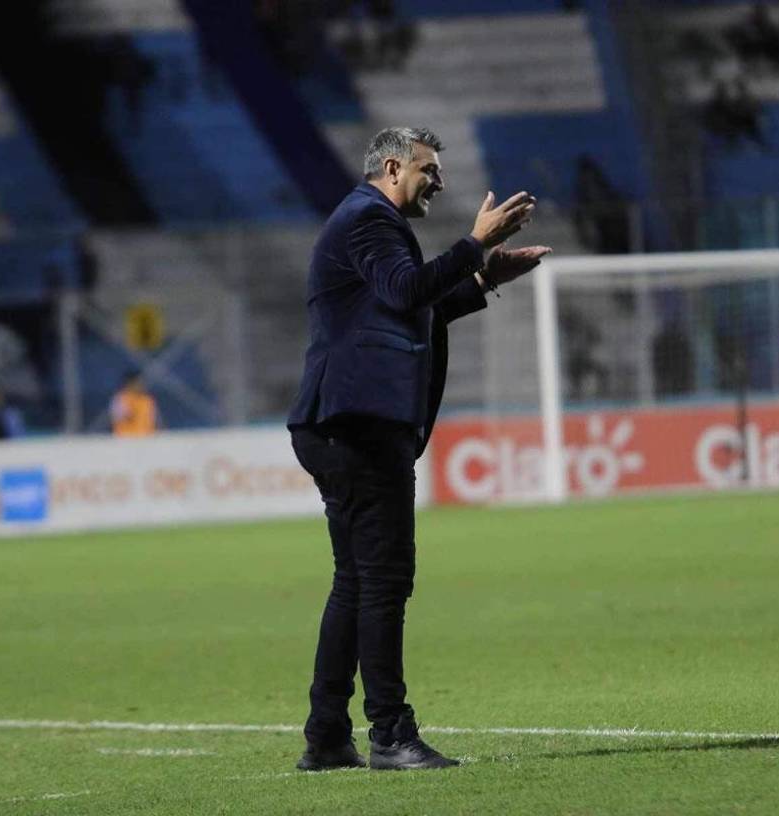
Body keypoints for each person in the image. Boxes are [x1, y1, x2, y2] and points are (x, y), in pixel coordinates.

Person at [288, 127, 550, 771]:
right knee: (383, 582)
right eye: (430, 170)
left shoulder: (364, 222)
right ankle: (390, 734)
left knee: (357, 582)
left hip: (342, 424)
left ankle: (326, 735)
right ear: (393, 165)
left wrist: (482, 276)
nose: (439, 182)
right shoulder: (369, 221)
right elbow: (407, 292)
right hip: (358, 426)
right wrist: (474, 244)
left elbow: (405, 308)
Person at [111, 372, 158, 437]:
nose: (141, 385)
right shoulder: (121, 399)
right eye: (138, 383)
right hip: (126, 440)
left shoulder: (147, 400)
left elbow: (153, 421)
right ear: (129, 383)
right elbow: (119, 419)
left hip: (146, 440)